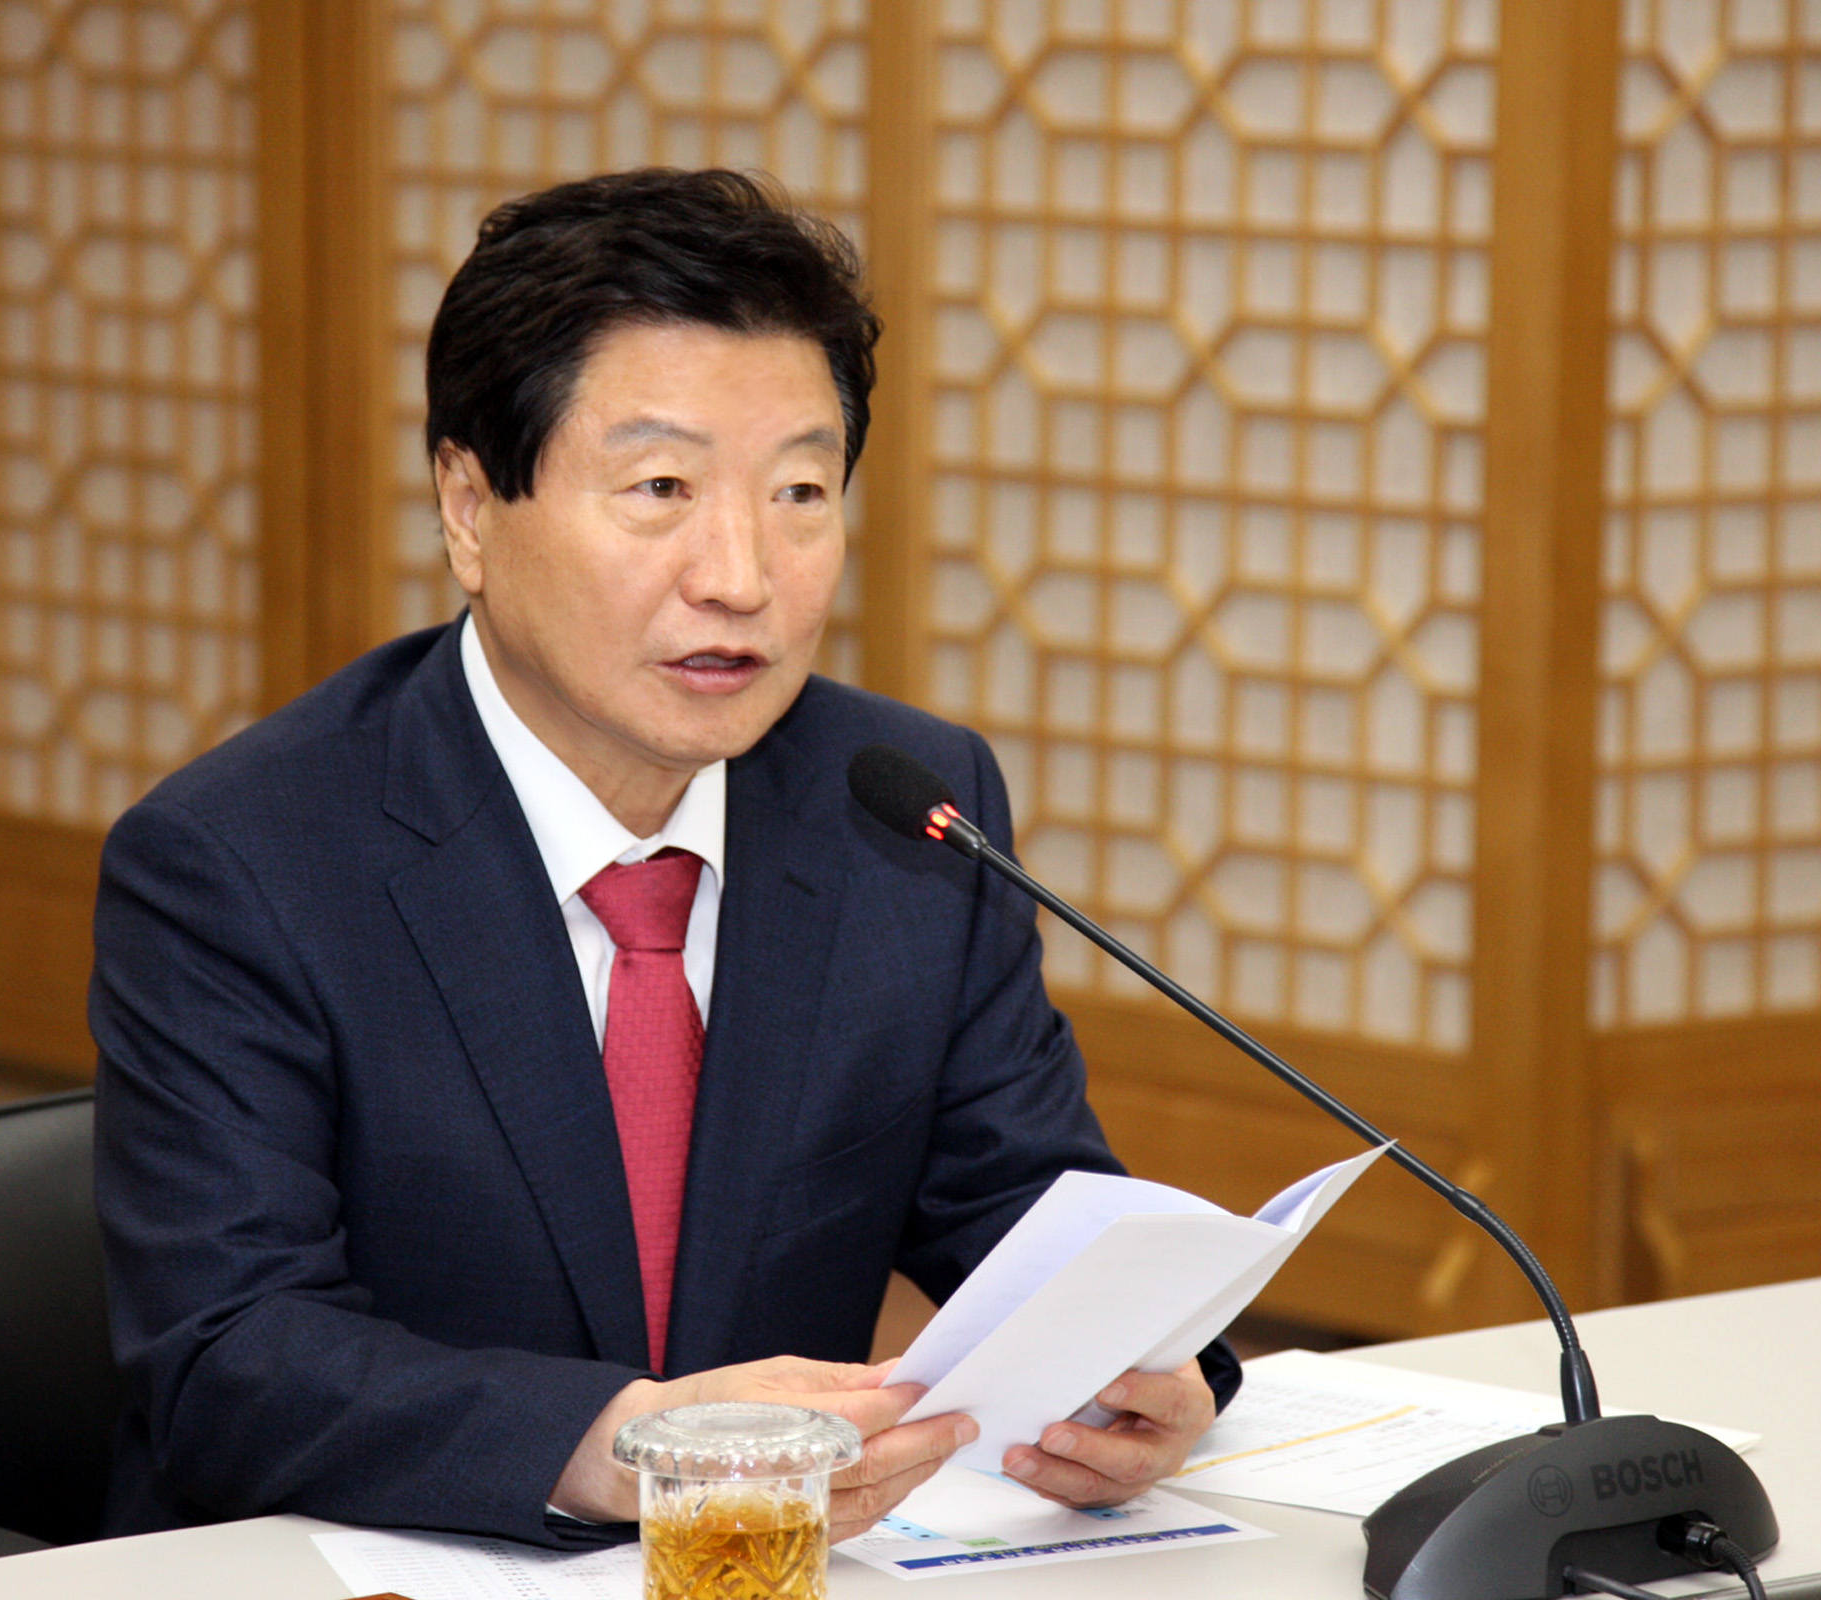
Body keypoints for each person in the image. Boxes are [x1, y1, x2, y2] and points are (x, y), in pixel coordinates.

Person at [89, 167, 1239, 1549]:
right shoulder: (241, 863)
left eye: (800, 491)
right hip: (374, 1560)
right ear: (470, 507)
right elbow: (229, 1356)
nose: (740, 576)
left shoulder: (902, 811)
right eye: (660, 488)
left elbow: (1020, 1205)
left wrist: (1143, 1368)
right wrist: (620, 1447)